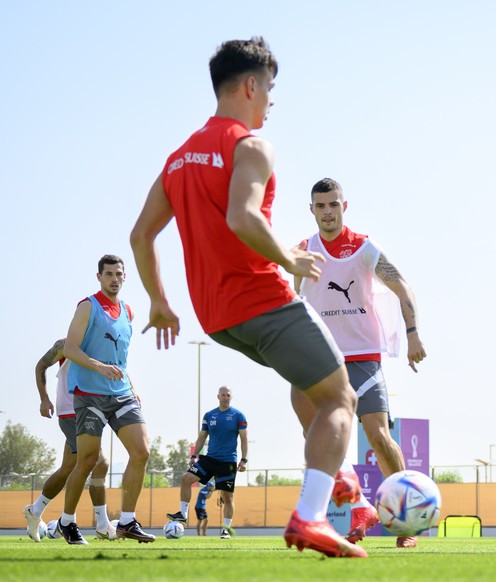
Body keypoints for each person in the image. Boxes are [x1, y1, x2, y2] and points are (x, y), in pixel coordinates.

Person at [130, 37, 365, 558]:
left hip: (217, 319)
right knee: (341, 398)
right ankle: (311, 517)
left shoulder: (176, 160)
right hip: (264, 300)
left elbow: (140, 236)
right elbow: (243, 217)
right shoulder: (250, 146)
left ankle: (342, 473)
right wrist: (290, 257)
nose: (272, 102)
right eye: (271, 89)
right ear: (251, 85)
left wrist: (159, 302)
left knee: (311, 383)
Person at [292, 178, 427, 549]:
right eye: (320, 206)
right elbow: (291, 300)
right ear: (312, 210)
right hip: (320, 359)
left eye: (333, 204)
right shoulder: (304, 252)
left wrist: (413, 332)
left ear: (344, 206)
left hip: (363, 357)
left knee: (380, 438)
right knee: (316, 438)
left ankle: (406, 523)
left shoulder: (364, 247)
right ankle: (360, 506)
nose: (328, 212)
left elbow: (402, 285)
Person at [59, 255, 155, 544]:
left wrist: (132, 384)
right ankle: (67, 522)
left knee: (142, 452)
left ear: (125, 278)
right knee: (87, 461)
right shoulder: (88, 306)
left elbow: (120, 358)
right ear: (99, 277)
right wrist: (99, 367)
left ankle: (126, 521)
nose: (114, 278)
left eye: (119, 274)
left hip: (121, 393)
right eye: (109, 274)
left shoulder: (129, 312)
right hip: (90, 395)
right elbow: (70, 348)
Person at [24, 338, 115, 542]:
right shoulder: (66, 345)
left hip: (91, 410)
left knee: (68, 468)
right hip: (70, 412)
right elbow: (41, 365)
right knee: (100, 463)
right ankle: (98, 524)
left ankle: (35, 510)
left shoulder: (103, 344)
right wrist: (44, 399)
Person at [167, 386, 248, 540]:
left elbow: (244, 439)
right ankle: (183, 514)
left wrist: (244, 460)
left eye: (228, 395)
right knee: (186, 478)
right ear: (218, 396)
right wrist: (194, 455)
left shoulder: (239, 416)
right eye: (223, 395)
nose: (225, 397)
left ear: (231, 397)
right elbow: (202, 437)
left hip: (228, 462)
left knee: (228, 497)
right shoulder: (209, 415)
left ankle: (226, 529)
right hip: (209, 459)